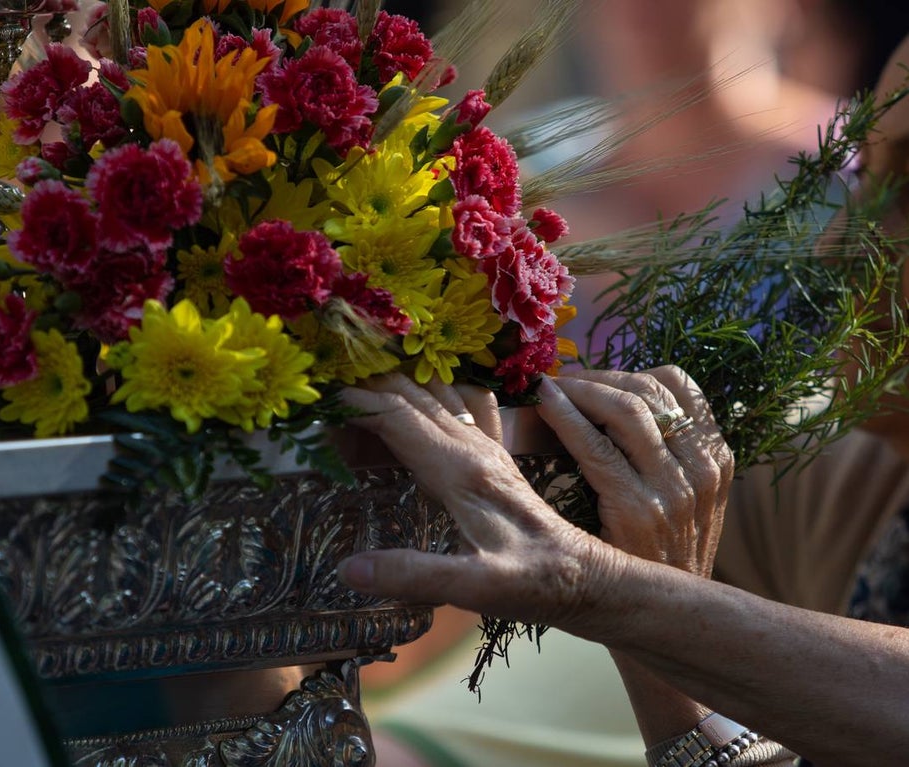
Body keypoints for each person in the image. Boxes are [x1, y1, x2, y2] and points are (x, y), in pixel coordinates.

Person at [339, 33, 909, 767]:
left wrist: (642, 609)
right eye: (864, 180)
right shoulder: (836, 481)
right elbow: (559, 511)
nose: (834, 249)